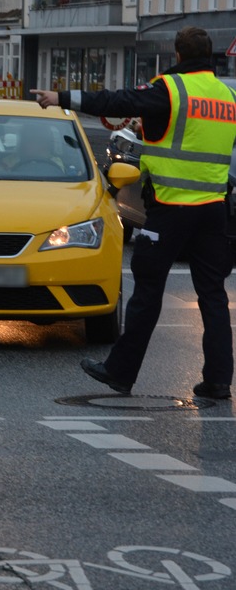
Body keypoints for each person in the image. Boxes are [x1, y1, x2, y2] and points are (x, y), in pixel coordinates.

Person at [32, 26, 236, 400]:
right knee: (213, 295)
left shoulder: (171, 91)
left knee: (147, 292)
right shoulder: (227, 95)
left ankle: (120, 372)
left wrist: (60, 96)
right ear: (211, 56)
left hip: (171, 209)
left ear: (176, 55)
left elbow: (116, 101)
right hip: (212, 212)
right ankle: (219, 380)